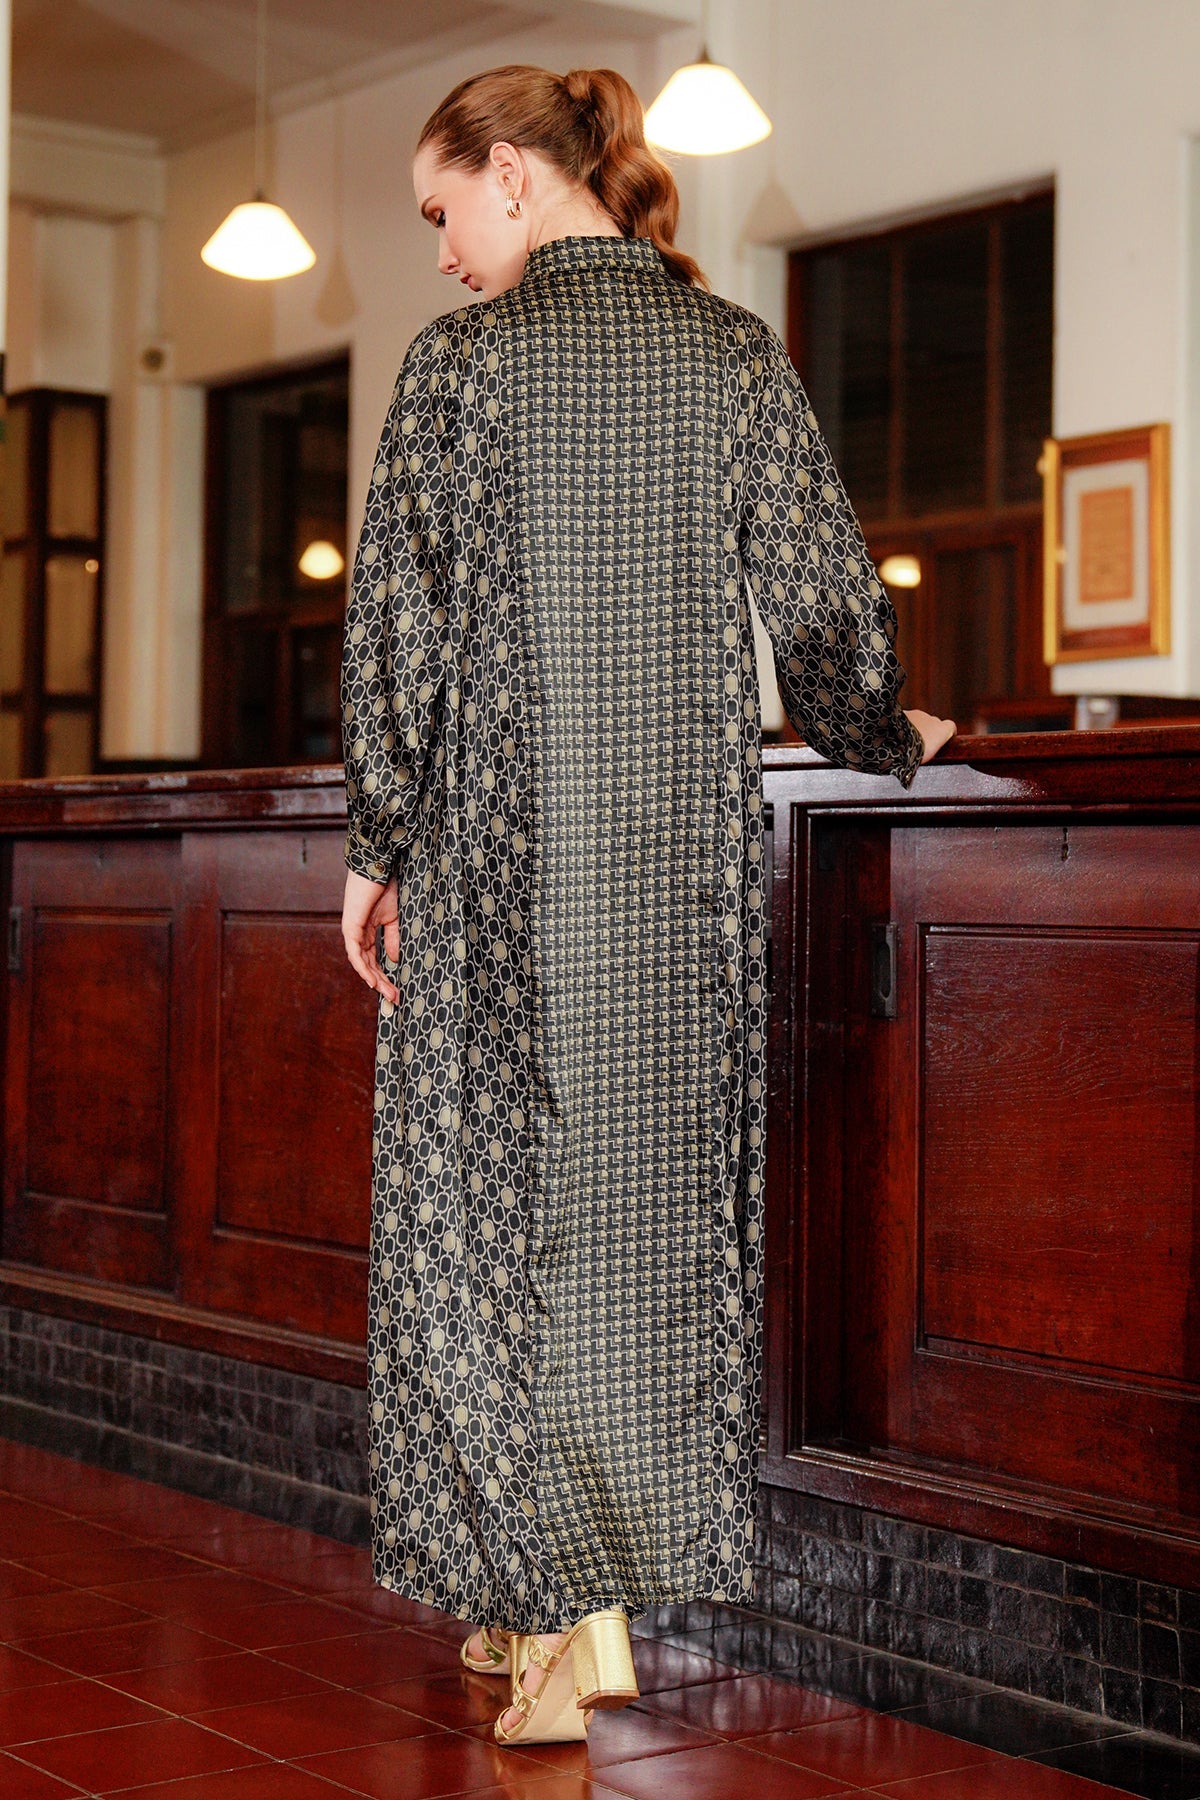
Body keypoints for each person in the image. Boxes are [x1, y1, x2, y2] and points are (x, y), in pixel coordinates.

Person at [339, 60, 956, 1749]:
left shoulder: (461, 366)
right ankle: (553, 1594)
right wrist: (882, 730)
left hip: (492, 866)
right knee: (639, 1233)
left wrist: (376, 843)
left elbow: (398, 630)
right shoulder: (732, 354)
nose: (442, 251)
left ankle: (549, 1613)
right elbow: (822, 609)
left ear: (514, 176)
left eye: (443, 210)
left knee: (479, 1229)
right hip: (681, 888)